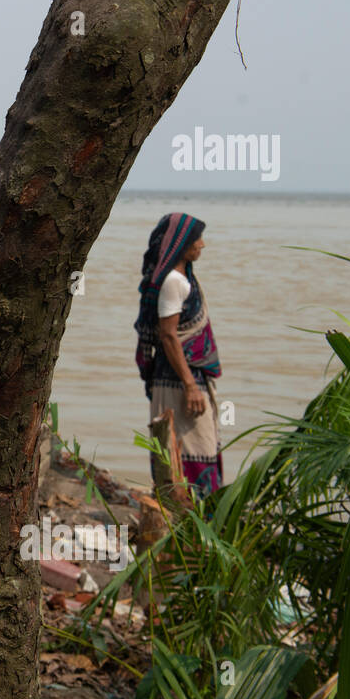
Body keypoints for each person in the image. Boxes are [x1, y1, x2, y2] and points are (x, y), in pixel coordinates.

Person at [133, 212, 223, 498]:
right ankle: (188, 524)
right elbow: (169, 335)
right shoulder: (173, 281)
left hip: (183, 376)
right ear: (182, 242)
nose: (203, 245)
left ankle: (194, 524)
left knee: (197, 447)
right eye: (198, 239)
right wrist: (190, 386)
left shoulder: (183, 277)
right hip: (178, 379)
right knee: (189, 449)